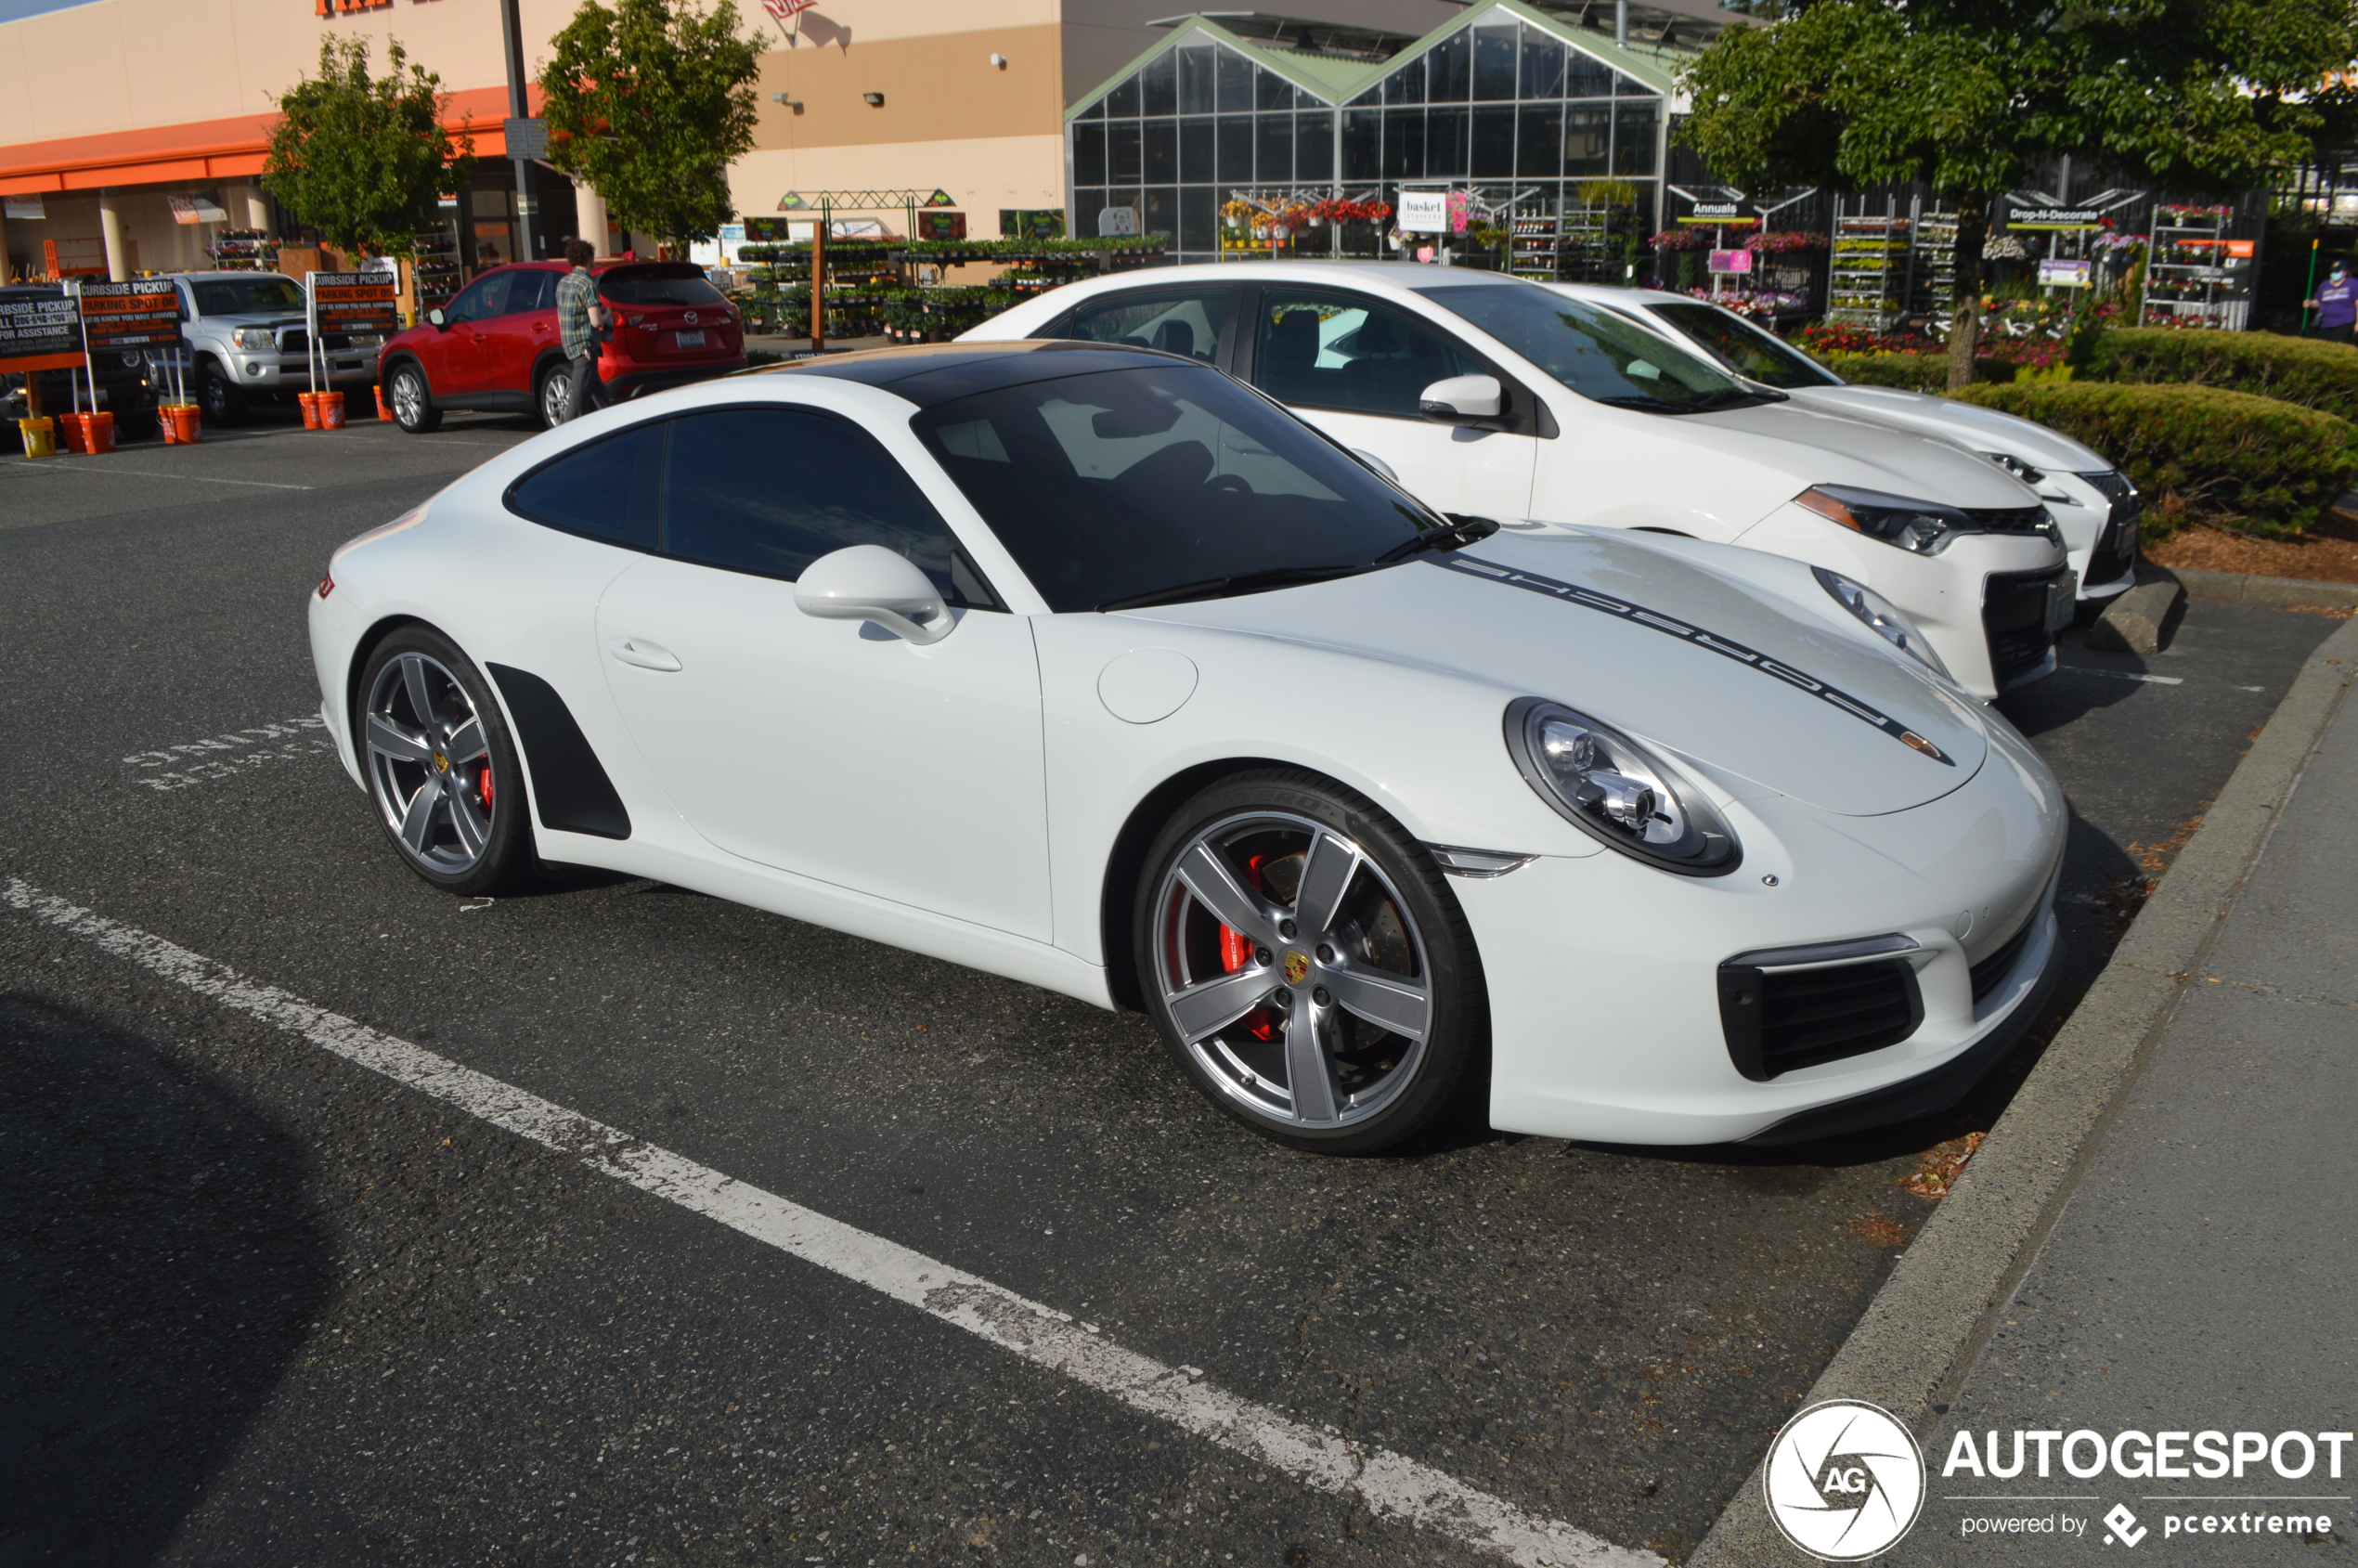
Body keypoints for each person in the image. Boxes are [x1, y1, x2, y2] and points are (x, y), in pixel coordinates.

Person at [555, 238, 609, 421]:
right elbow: (595, 320)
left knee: (598, 393)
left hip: (570, 345)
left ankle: (614, 423)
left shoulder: (563, 283)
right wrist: (607, 314)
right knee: (579, 397)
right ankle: (566, 435)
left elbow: (571, 315)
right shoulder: (587, 284)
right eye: (592, 255)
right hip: (585, 347)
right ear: (587, 256)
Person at [2310, 259, 2357, 345]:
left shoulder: (2353, 283)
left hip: (2344, 322)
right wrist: (2311, 303)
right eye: (2333, 271)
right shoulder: (2325, 284)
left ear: (2345, 272)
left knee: (2337, 346)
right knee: (2321, 347)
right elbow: (2318, 301)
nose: (2334, 273)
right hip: (2325, 322)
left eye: (2337, 271)